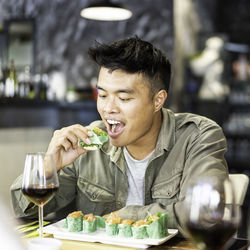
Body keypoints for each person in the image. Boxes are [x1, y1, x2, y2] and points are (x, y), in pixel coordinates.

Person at [11, 37, 228, 229]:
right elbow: (24, 211)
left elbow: (206, 212)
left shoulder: (199, 136)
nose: (108, 108)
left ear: (158, 100)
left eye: (123, 98)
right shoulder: (89, 141)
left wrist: (125, 216)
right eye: (103, 95)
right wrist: (49, 166)